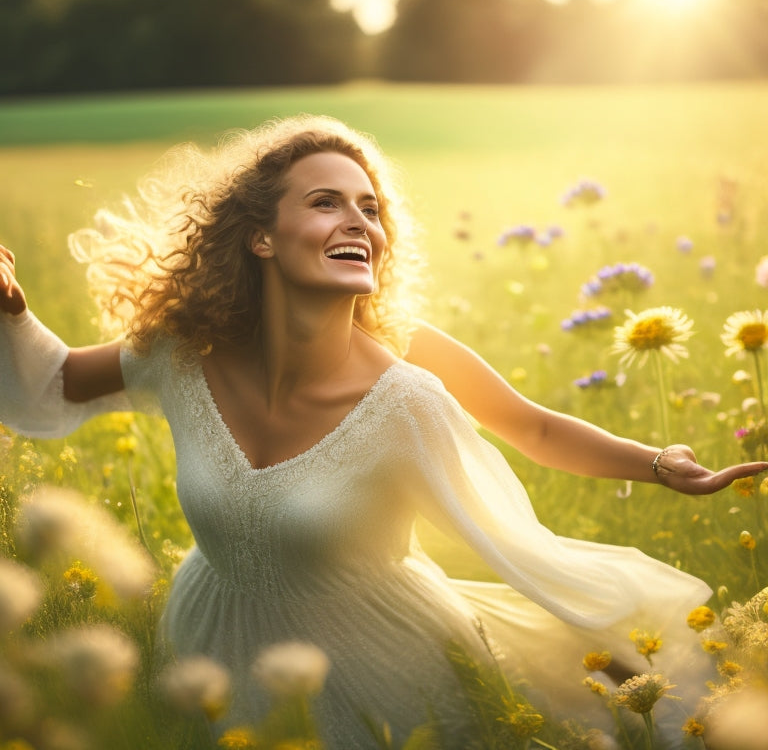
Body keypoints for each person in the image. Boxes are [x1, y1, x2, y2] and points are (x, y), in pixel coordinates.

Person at [0, 115, 764, 748]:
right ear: (260, 237)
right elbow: (56, 382)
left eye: (371, 208)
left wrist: (662, 462)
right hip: (210, 642)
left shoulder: (404, 382)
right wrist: (10, 306)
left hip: (383, 668)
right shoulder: (181, 349)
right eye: (327, 203)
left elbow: (528, 425)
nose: (360, 223)